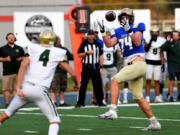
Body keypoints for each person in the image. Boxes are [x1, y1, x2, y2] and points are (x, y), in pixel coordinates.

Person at [0, 30, 79, 135]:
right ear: (53, 40)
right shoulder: (58, 52)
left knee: (6, 114)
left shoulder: (33, 48)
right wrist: (76, 84)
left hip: (25, 89)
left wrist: (18, 87)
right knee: (54, 120)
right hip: (40, 90)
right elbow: (72, 73)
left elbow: (23, 66)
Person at [97, 8, 161, 131]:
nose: (123, 19)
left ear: (131, 17)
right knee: (138, 97)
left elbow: (137, 42)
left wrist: (129, 29)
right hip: (130, 65)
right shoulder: (118, 30)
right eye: (121, 17)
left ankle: (112, 110)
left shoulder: (138, 25)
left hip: (138, 63)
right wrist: (103, 32)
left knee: (115, 79)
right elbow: (109, 44)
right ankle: (154, 122)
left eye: (125, 16)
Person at [75, 29, 105, 107]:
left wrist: (101, 67)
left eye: (92, 34)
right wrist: (87, 53)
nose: (91, 36)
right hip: (86, 67)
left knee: (98, 85)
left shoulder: (98, 44)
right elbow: (79, 55)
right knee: (83, 85)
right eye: (89, 34)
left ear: (94, 35)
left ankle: (100, 101)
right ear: (87, 35)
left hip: (95, 67)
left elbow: (101, 56)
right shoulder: (84, 44)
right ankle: (80, 102)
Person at [0, 33, 24, 108]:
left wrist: (21, 59)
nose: (11, 39)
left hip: (17, 72)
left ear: (14, 38)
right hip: (7, 72)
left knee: (16, 88)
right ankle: (7, 103)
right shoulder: (2, 48)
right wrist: (5, 59)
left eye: (12, 37)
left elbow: (24, 57)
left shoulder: (19, 48)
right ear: (7, 39)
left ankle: (15, 104)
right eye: (9, 37)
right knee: (6, 89)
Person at [50, 36, 74, 106]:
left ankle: (62, 101)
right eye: (57, 39)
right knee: (54, 87)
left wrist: (77, 53)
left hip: (64, 71)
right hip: (55, 71)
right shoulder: (52, 49)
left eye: (59, 39)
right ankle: (53, 101)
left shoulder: (64, 49)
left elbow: (71, 57)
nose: (58, 40)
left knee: (62, 87)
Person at [144, 26, 165, 103]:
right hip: (149, 62)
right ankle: (147, 97)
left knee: (157, 80)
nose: (155, 33)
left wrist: (163, 63)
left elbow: (161, 52)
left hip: (158, 62)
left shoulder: (161, 40)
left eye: (156, 32)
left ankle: (157, 97)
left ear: (158, 33)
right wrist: (150, 41)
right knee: (148, 80)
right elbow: (146, 49)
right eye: (153, 32)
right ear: (151, 32)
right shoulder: (147, 38)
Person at [101, 27, 121, 104]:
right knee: (102, 84)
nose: (108, 36)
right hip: (104, 67)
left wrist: (115, 64)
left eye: (109, 35)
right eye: (107, 35)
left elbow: (117, 57)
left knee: (115, 83)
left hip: (112, 67)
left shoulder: (114, 45)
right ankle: (103, 99)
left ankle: (116, 99)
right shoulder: (102, 44)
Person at [161, 30, 180, 102]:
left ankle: (179, 95)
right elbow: (162, 49)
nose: (175, 37)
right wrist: (167, 41)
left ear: (179, 36)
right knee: (172, 81)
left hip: (179, 65)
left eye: (176, 35)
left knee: (179, 82)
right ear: (172, 36)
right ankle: (170, 96)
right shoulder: (169, 43)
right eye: (174, 35)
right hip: (172, 65)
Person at [159, 27, 172, 99]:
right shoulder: (161, 40)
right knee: (162, 79)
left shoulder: (173, 41)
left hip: (172, 62)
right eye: (166, 33)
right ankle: (160, 94)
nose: (167, 34)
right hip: (164, 61)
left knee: (172, 79)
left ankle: (170, 94)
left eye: (169, 33)